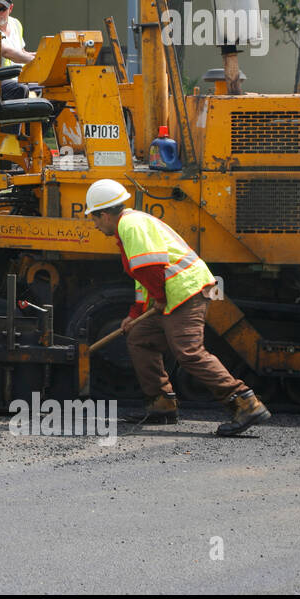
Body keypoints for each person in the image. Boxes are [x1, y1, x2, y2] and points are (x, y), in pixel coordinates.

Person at [84, 179, 272, 436]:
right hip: (173, 293)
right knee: (139, 337)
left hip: (185, 291)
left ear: (104, 214)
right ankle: (161, 403)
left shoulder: (130, 224)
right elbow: (143, 279)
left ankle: (245, 402)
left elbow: (150, 269)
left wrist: (160, 297)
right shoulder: (130, 225)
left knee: (189, 352)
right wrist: (134, 316)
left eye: (94, 219)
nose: (95, 225)